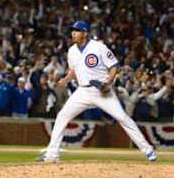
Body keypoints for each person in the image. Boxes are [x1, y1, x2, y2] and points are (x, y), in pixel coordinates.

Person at [38, 20, 156, 162]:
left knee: (122, 118)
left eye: (76, 30)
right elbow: (74, 70)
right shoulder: (72, 51)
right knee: (62, 116)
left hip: (102, 91)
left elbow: (114, 66)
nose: (73, 33)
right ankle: (52, 154)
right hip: (83, 91)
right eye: (72, 30)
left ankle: (147, 149)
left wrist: (108, 83)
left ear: (85, 33)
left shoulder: (98, 47)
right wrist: (66, 80)